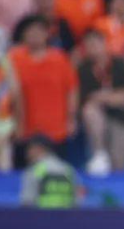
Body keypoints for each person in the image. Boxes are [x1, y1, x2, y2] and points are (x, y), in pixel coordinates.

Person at [8, 15, 78, 169]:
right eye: (30, 31)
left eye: (39, 31)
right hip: (24, 128)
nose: (35, 35)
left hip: (55, 128)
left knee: (55, 171)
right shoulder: (13, 58)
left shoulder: (60, 59)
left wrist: (71, 118)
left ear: (47, 34)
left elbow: (71, 90)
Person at [79, 29, 124, 175]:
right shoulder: (84, 69)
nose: (92, 48)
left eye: (95, 43)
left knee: (119, 164)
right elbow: (87, 99)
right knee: (89, 110)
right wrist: (113, 97)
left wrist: (103, 97)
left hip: (123, 119)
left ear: (104, 44)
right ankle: (99, 153)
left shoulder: (119, 64)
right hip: (98, 120)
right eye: (88, 45)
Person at [20, 134, 81, 208]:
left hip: (42, 215)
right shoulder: (68, 170)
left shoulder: (33, 171)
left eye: (29, 149)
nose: (27, 154)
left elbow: (27, 203)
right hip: (66, 215)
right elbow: (77, 203)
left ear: (38, 148)